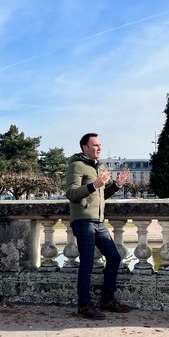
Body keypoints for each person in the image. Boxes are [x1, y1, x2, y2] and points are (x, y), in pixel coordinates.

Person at [65, 133, 131, 320]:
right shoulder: (76, 166)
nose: (99, 148)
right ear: (85, 147)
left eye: (100, 145)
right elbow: (71, 193)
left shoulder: (100, 166)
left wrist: (117, 185)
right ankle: (84, 306)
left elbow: (101, 195)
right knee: (86, 262)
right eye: (95, 145)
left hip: (98, 221)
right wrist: (94, 185)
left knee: (114, 257)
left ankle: (107, 300)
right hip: (83, 220)